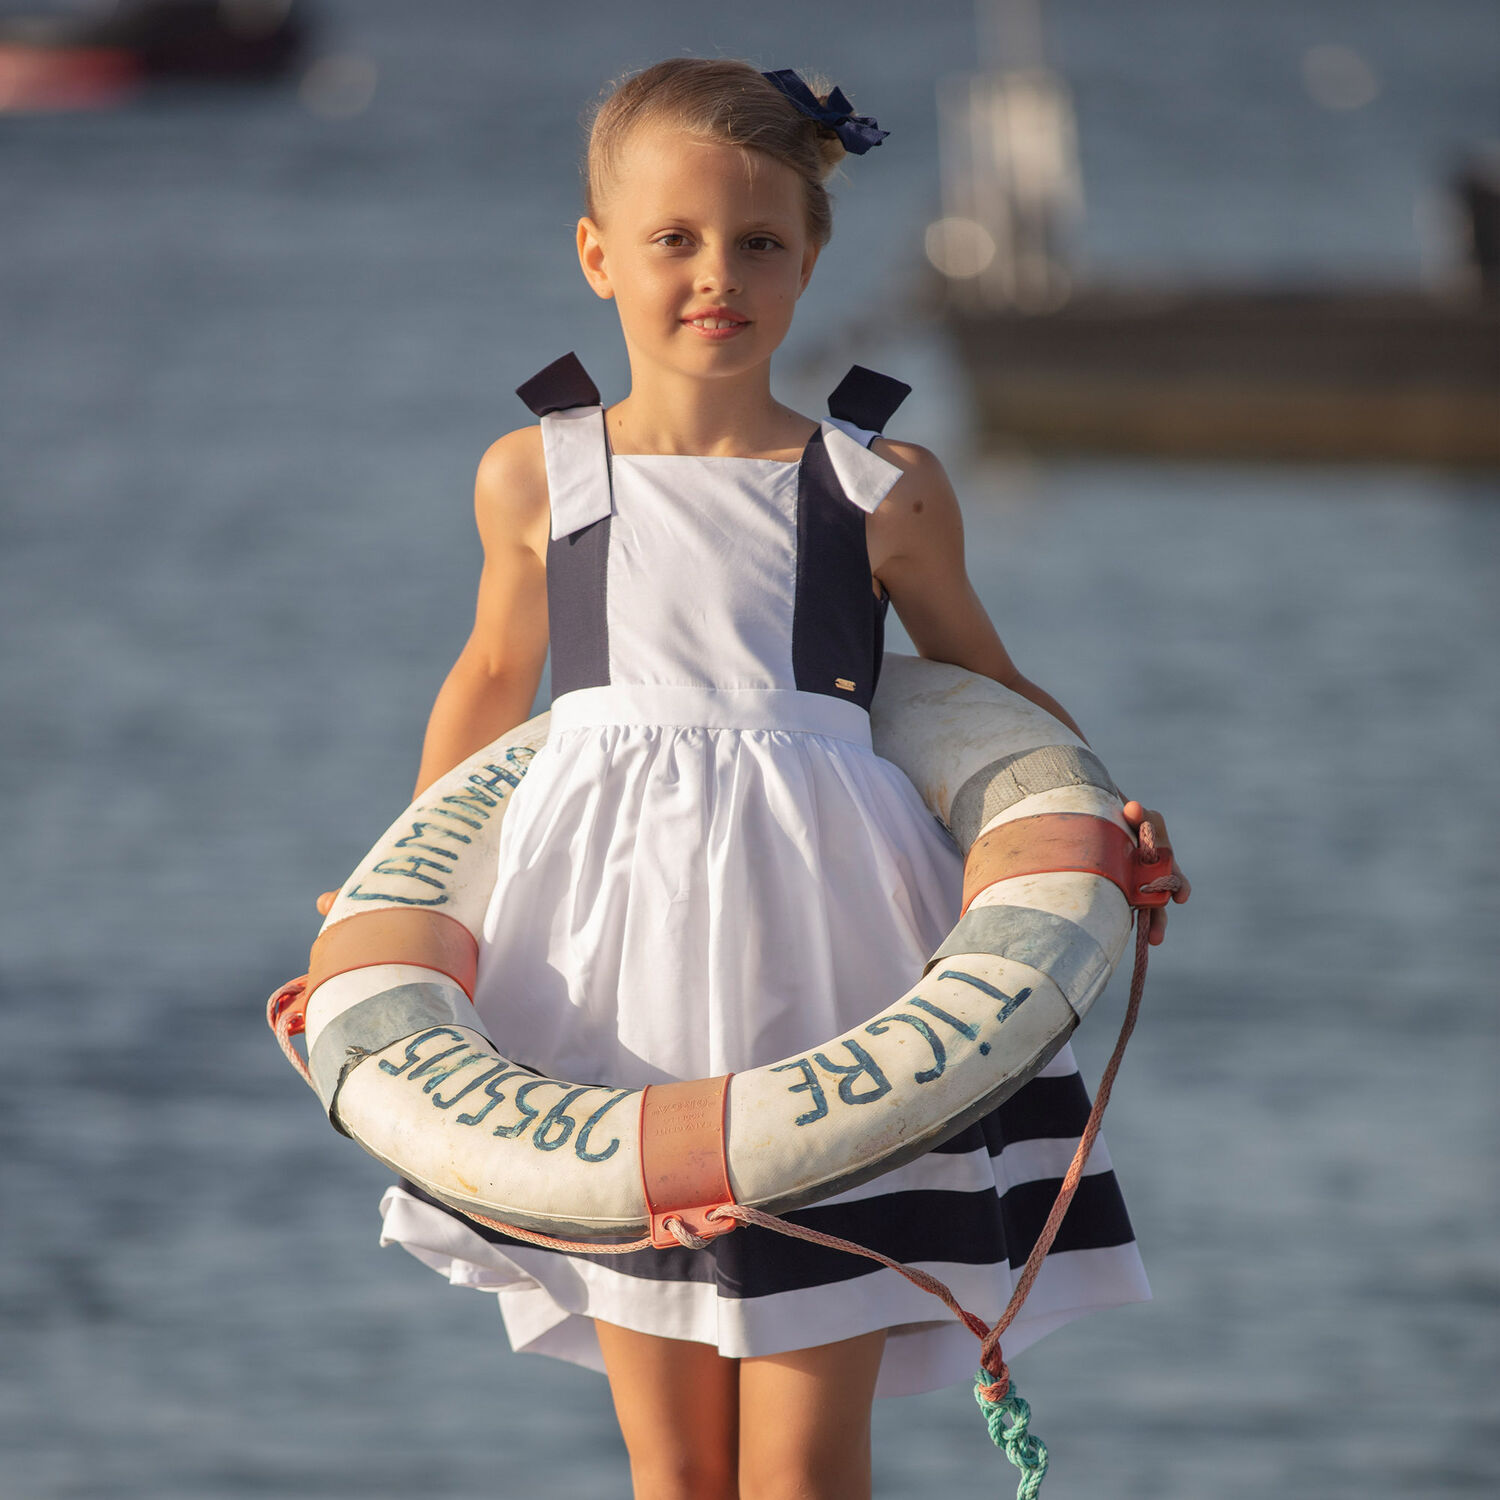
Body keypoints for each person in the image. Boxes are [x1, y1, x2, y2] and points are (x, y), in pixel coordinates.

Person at [318, 57, 1188, 1500]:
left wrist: (1104, 817)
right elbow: (486, 684)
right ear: (598, 255)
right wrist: (399, 899)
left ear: (810, 257)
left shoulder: (878, 484)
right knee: (675, 1466)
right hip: (605, 988)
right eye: (673, 240)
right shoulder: (540, 477)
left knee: (798, 1464)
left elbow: (990, 694)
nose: (716, 274)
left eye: (759, 243)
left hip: (835, 976)